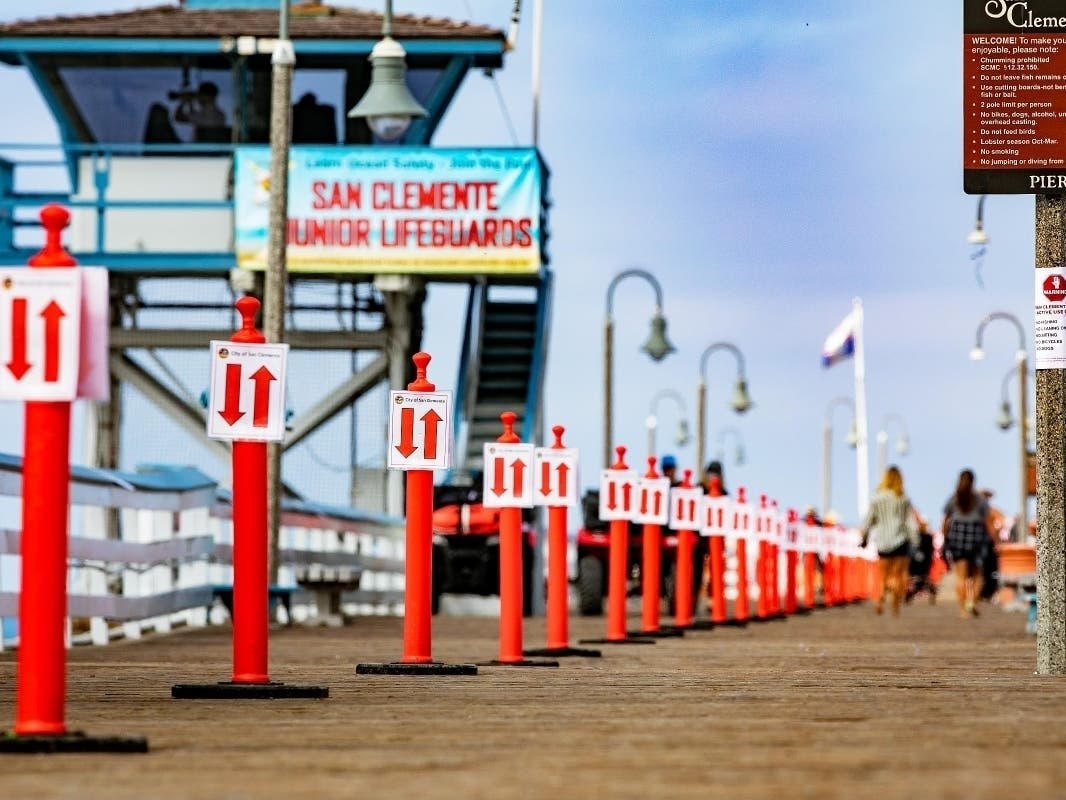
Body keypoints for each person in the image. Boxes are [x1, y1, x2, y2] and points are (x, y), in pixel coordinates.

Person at [860, 465, 919, 616]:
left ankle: (879, 598)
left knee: (883, 574)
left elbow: (868, 520)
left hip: (882, 541)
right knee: (899, 575)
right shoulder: (903, 498)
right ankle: (895, 604)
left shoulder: (877, 498)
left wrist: (864, 537)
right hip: (900, 540)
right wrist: (916, 540)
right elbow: (910, 522)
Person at [941, 468, 994, 618]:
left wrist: (946, 538)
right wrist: (994, 541)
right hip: (976, 537)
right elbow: (987, 522)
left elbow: (946, 521)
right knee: (977, 575)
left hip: (957, 536)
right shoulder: (980, 500)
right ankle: (972, 602)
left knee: (961, 576)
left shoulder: (954, 498)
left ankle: (963, 609)